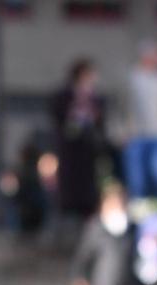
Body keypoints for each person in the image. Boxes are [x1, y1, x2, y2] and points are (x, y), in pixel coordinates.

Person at [50, 59, 111, 222]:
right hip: (70, 148)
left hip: (89, 147)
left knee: (89, 182)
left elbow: (101, 121)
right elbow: (59, 116)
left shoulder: (95, 98)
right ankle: (69, 211)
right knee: (71, 183)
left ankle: (88, 210)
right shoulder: (65, 95)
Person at [123, 41, 157, 204]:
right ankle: (140, 218)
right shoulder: (131, 79)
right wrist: (121, 130)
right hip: (136, 135)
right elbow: (119, 106)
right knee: (137, 181)